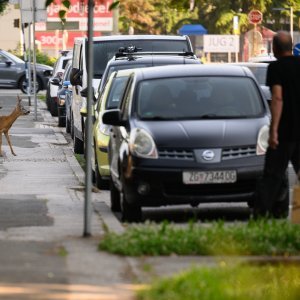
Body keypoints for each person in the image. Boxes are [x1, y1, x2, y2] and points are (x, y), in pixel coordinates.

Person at [254, 31, 300, 218]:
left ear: (274, 48)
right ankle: (294, 216)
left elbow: (278, 98)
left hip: (285, 132)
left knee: (272, 176)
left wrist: (274, 131)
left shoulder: (276, 68)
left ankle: (260, 215)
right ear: (290, 46)